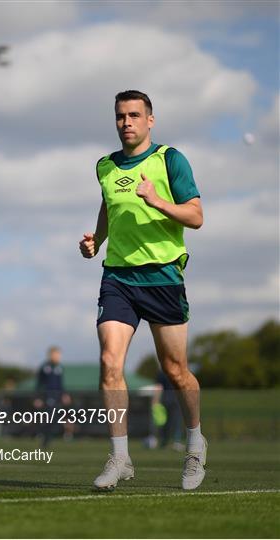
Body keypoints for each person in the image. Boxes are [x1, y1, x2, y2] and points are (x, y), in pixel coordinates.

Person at [79, 90, 207, 491]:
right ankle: (120, 458)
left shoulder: (170, 160)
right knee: (109, 362)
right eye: (120, 116)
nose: (127, 122)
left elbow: (197, 216)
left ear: (150, 120)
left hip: (163, 277)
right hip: (117, 276)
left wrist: (157, 201)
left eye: (135, 115)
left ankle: (194, 444)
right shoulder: (105, 166)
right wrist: (96, 240)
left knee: (175, 371)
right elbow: (108, 205)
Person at [34, 346, 69, 447]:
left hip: (57, 396)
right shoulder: (45, 368)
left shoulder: (59, 368)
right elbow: (39, 384)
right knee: (48, 418)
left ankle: (48, 438)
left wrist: (64, 395)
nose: (58, 357)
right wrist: (38, 397)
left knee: (54, 419)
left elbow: (60, 384)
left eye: (59, 355)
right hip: (47, 396)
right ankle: (44, 439)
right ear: (50, 355)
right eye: (56, 354)